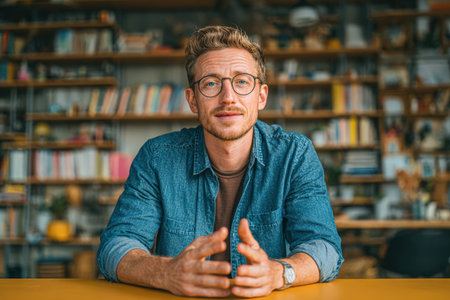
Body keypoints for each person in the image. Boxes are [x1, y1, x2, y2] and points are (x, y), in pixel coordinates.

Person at [97, 25, 342, 298]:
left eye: (242, 81)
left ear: (261, 96)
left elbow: (325, 249)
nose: (228, 98)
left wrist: (279, 272)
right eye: (211, 83)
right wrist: (164, 272)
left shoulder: (295, 155)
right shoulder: (157, 158)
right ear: (192, 100)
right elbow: (115, 246)